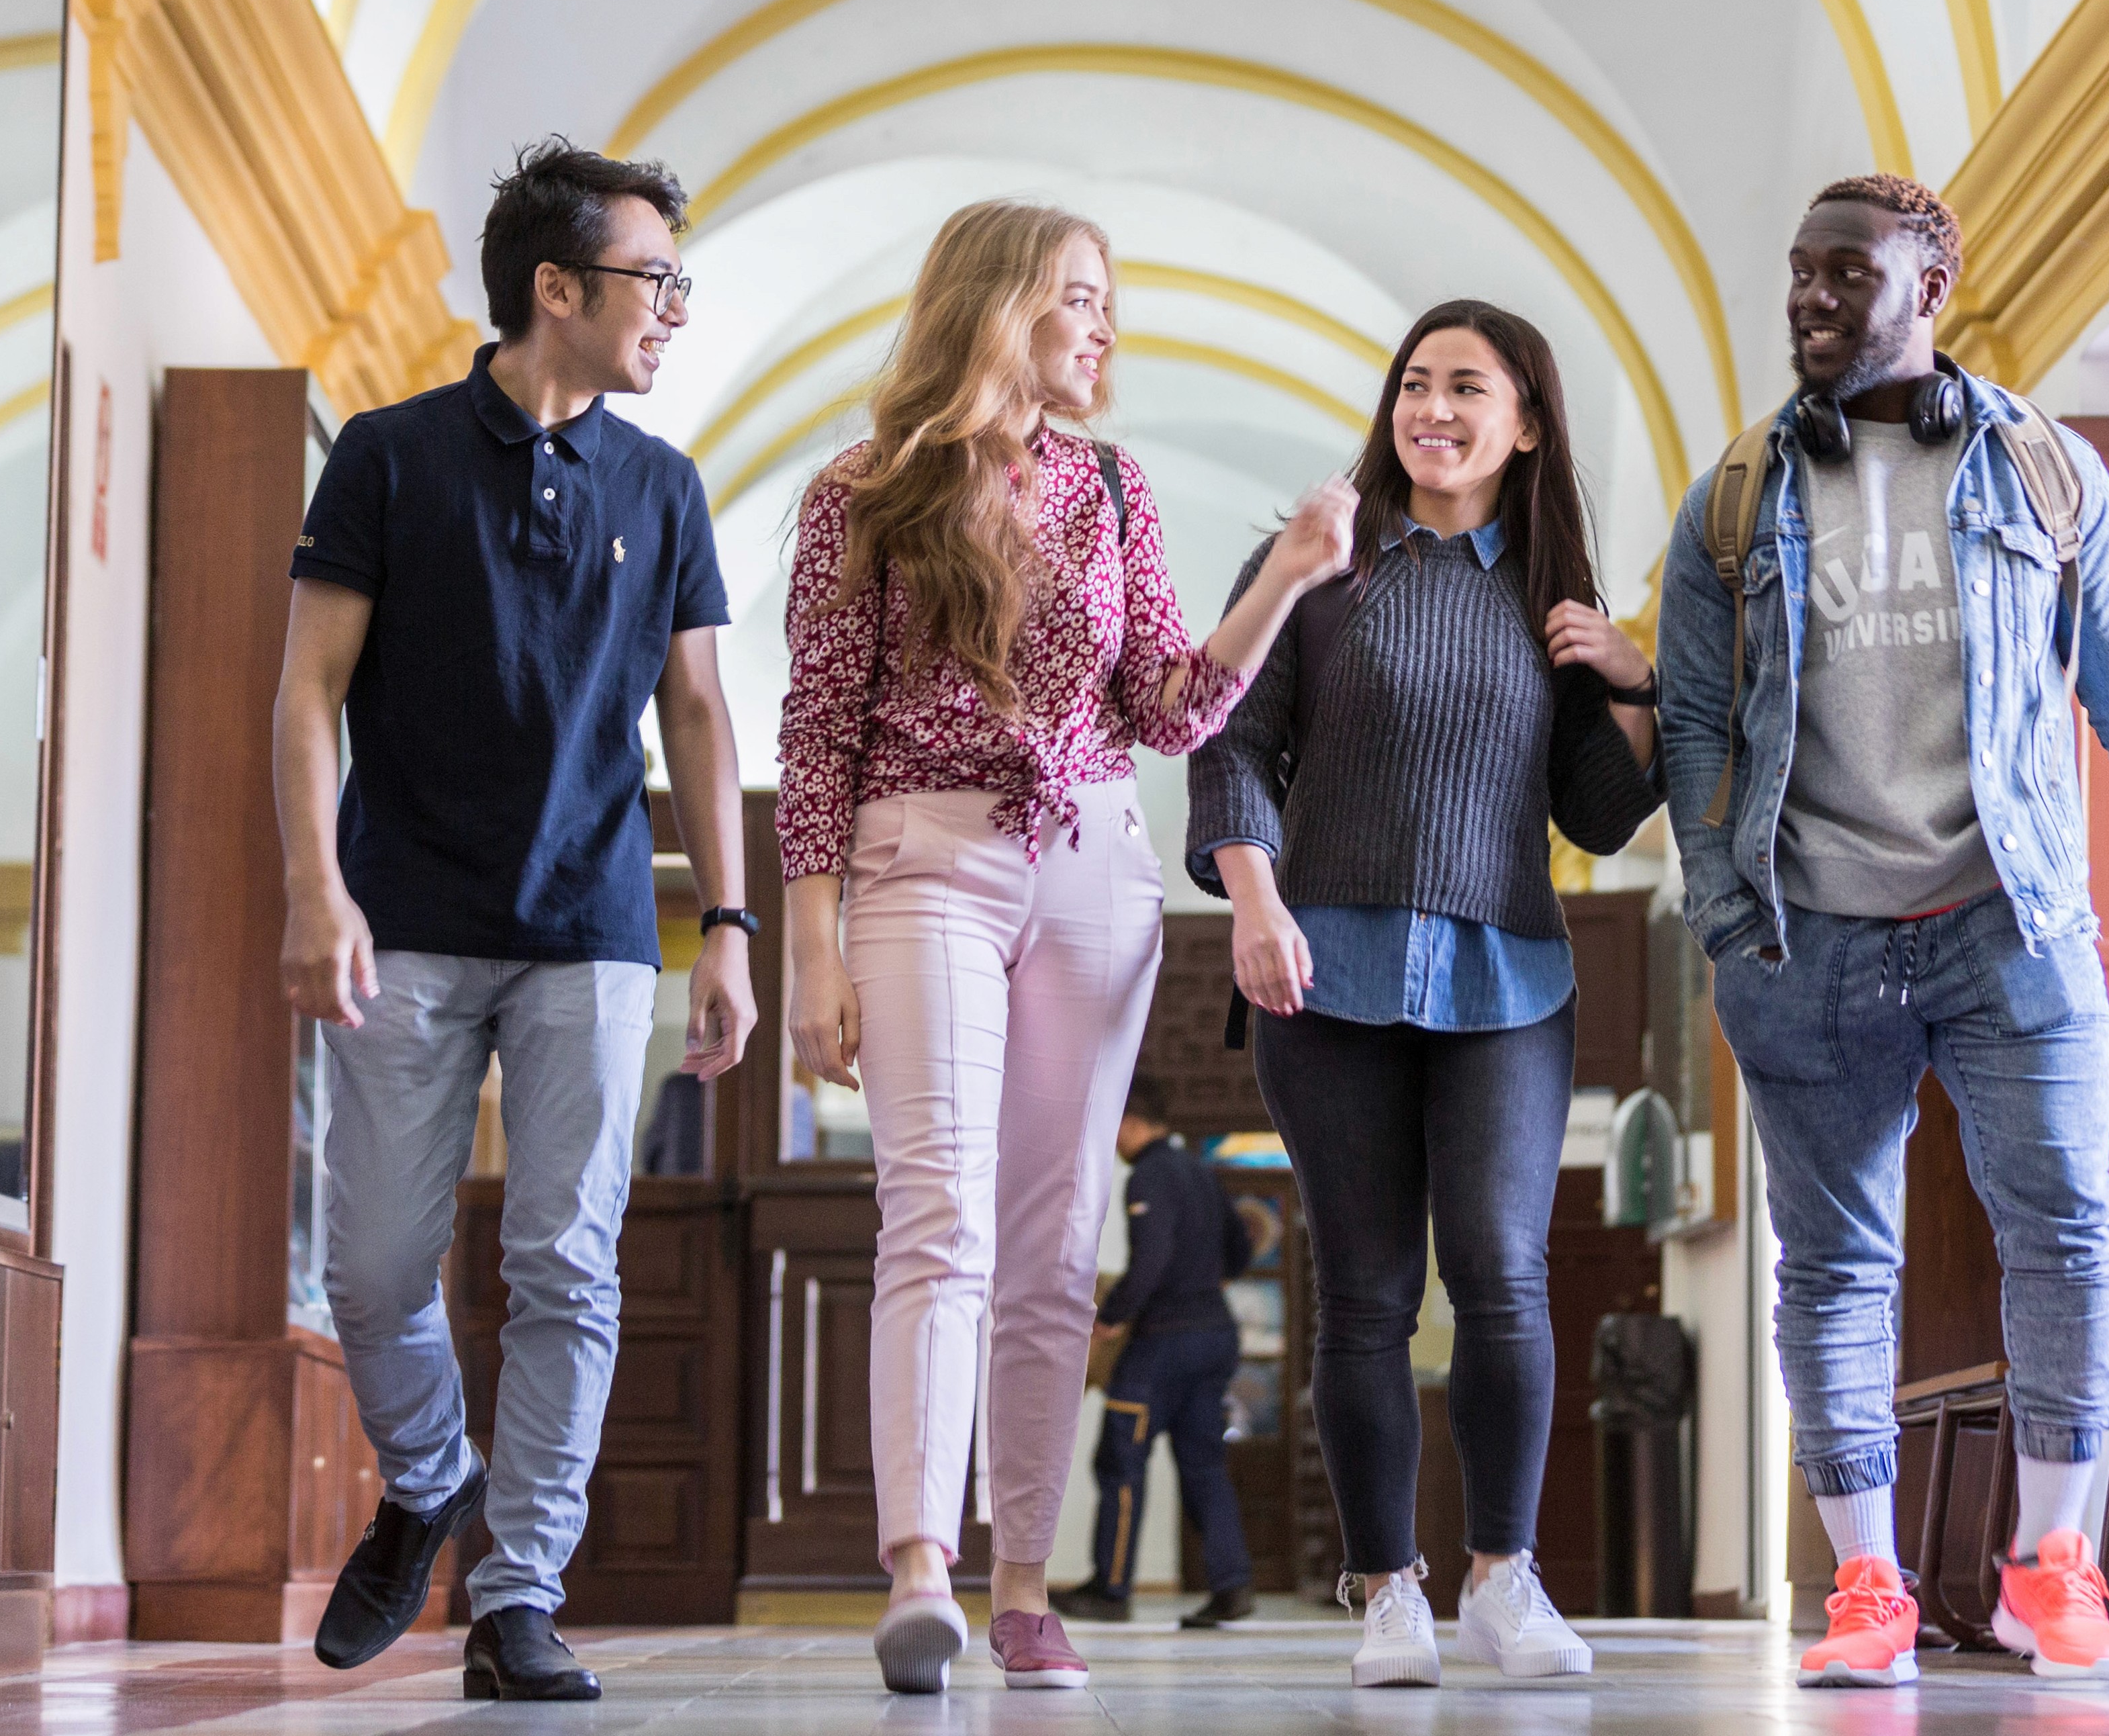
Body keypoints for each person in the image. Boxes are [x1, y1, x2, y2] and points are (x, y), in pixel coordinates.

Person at [1656, 173, 2109, 1690]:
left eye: (1844, 276)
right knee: (1832, 1266)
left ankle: (2052, 1570)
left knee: (2066, 1229)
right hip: (1805, 943)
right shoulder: (1737, 494)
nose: (1808, 300)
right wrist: (1729, 911)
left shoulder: (2045, 472)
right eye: (1796, 274)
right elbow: (1687, 718)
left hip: (2012, 927)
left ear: (1927, 285)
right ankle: (1867, 1586)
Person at [775, 199, 1356, 1696]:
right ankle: (920, 1566)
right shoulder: (863, 492)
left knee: (1050, 1247)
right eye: (1081, 298)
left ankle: (1024, 1582)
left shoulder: (1113, 485)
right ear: (998, 301)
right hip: (927, 862)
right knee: (938, 1212)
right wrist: (807, 947)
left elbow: (1168, 707)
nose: (1105, 328)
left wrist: (1287, 573)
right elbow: (817, 730)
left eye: (1111, 303)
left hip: (1097, 867)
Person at [273, 138, 757, 1705]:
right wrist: (312, 885)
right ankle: (427, 1478)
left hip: (595, 925)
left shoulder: (663, 485)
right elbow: (306, 691)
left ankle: (520, 1590)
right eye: (652, 279)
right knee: (373, 1269)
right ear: (556, 288)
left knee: (568, 1261)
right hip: (403, 913)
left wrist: (729, 927)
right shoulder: (388, 455)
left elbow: (697, 715)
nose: (672, 308)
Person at [1186, 300, 1660, 1688]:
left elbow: (1604, 809)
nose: (1432, 408)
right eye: (1413, 383)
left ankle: (1503, 1579)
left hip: (1508, 974)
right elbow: (1229, 746)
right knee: (1366, 1295)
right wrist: (1256, 899)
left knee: (1506, 1277)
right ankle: (1388, 1590)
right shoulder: (1318, 563)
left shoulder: (1547, 594)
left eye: (1467, 387)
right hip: (1322, 968)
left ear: (1525, 423)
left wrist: (1633, 684)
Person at [1055, 1076, 1256, 1630]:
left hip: (1164, 1344)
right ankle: (1232, 1584)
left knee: (1120, 1460)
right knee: (1204, 1464)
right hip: (1216, 1336)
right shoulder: (1199, 1170)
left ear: (1129, 1122)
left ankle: (1111, 1588)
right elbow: (1241, 1246)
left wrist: (1113, 1316)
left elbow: (1152, 1258)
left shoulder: (1149, 1175)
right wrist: (1206, 1284)